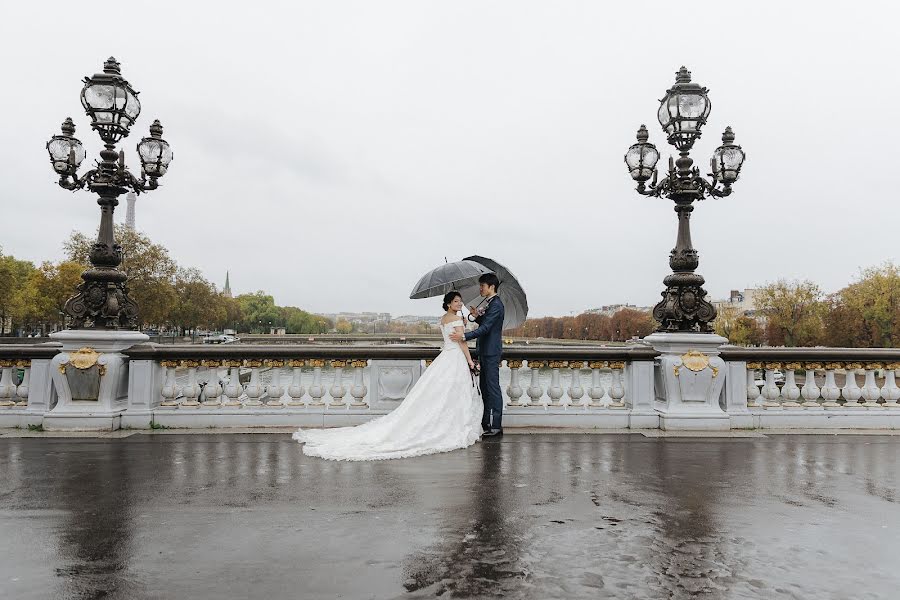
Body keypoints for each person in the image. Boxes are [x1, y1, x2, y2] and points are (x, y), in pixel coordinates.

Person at [293, 291, 483, 460]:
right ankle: (450, 426)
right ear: (449, 303)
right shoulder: (456, 319)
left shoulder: (444, 318)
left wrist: (464, 324)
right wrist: (469, 361)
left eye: (460, 302)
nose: (460, 304)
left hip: (445, 358)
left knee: (438, 394)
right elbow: (462, 343)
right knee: (452, 394)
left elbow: (453, 336)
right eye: (457, 301)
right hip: (455, 358)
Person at [449, 273, 505, 436]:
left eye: (483, 286)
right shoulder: (490, 304)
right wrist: (475, 317)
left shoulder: (496, 305)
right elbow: (487, 324)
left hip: (491, 351)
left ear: (491, 287)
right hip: (485, 350)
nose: (480, 288)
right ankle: (486, 422)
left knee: (492, 388)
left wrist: (464, 336)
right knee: (485, 387)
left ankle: (496, 425)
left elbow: (487, 328)